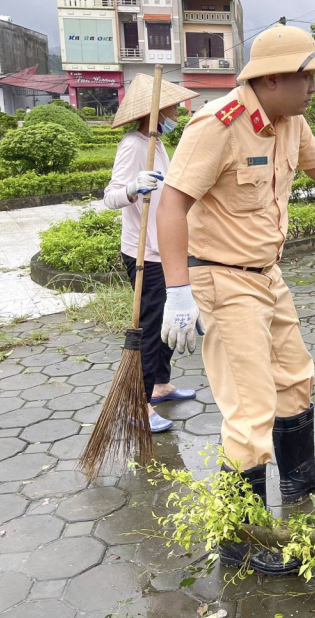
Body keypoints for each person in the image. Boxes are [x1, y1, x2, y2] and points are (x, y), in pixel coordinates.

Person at [156, 24, 315, 576]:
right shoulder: (217, 125)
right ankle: (239, 539)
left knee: (296, 376)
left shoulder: (290, 120)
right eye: (306, 78)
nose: (314, 88)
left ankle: (300, 472)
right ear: (271, 78)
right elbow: (171, 205)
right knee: (249, 410)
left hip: (267, 275)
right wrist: (177, 291)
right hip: (222, 281)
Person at [103, 74, 199, 434]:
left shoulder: (156, 143)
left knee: (165, 324)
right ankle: (138, 405)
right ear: (157, 111)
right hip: (145, 254)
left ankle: (160, 384)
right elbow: (111, 197)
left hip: (165, 249)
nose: (177, 111)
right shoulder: (133, 144)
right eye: (173, 106)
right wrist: (131, 188)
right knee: (148, 328)